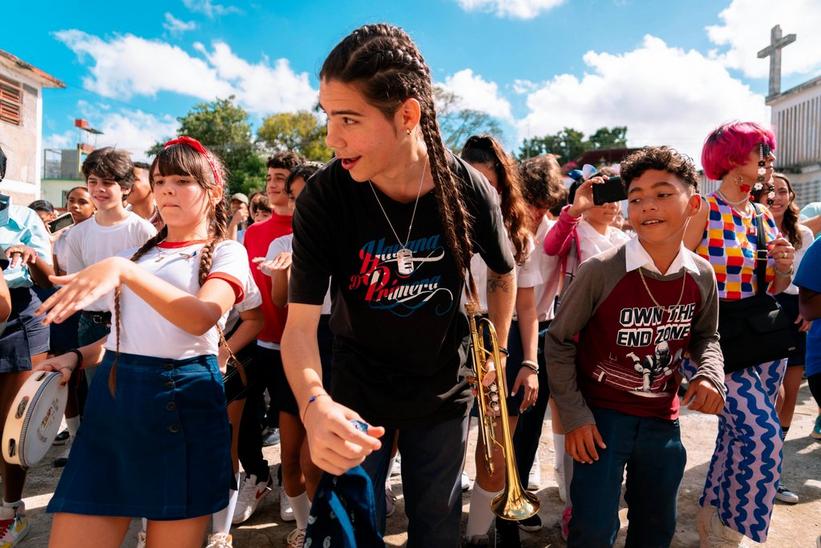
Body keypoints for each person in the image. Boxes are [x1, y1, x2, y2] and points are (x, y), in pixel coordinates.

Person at [282, 23, 516, 547]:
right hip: (354, 399)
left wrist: (495, 353)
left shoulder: (469, 189)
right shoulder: (324, 197)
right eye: (328, 117)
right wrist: (315, 405)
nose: (330, 138)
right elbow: (299, 328)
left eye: (348, 119)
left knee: (436, 530)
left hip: (443, 396)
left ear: (407, 115)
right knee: (348, 534)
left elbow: (503, 272)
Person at [35, 136, 248, 547]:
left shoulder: (225, 253)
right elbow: (123, 335)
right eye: (161, 179)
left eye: (183, 180)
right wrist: (76, 357)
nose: (168, 188)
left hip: (182, 404)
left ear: (214, 192)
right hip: (113, 402)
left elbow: (200, 318)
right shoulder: (136, 254)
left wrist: (124, 272)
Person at [548, 146, 726, 547]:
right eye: (636, 197)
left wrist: (711, 373)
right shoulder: (601, 271)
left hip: (663, 421)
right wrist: (575, 416)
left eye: (663, 193)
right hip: (600, 423)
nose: (648, 205)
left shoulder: (701, 275)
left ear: (693, 203)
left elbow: (706, 336)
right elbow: (558, 342)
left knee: (655, 526)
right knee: (592, 529)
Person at [683, 121, 795, 546]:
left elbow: (772, 288)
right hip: (715, 341)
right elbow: (677, 273)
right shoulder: (704, 210)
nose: (766, 160)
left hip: (761, 341)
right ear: (730, 161)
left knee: (736, 435)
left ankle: (713, 517)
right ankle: (732, 533)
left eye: (766, 151)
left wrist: (783, 267)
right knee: (763, 438)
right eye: (757, 152)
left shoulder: (763, 215)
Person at [56, 147, 157, 467]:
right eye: (93, 181)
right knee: (100, 400)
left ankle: (136, 463)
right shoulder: (77, 234)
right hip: (92, 324)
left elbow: (152, 284)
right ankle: (107, 465)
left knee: (134, 399)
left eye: (108, 182)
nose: (99, 189)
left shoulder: (142, 229)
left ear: (126, 187)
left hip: (135, 323)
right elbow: (77, 285)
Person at [459, 135, 535, 548]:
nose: (481, 193)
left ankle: (477, 536)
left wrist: (529, 363)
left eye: (490, 185)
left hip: (499, 342)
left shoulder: (517, 232)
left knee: (495, 450)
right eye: (472, 183)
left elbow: (528, 306)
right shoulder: (443, 222)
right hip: (450, 336)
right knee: (444, 446)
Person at [257, 161, 325, 547]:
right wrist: (282, 271)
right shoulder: (282, 245)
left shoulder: (348, 239)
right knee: (292, 454)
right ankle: (306, 526)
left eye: (309, 197)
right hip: (297, 345)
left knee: (318, 457)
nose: (301, 206)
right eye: (296, 197)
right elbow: (281, 301)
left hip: (340, 350)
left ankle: (326, 527)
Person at [235, 150, 303, 525]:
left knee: (292, 420)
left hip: (296, 343)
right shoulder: (252, 234)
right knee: (242, 409)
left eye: (281, 177)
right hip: (256, 338)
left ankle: (292, 480)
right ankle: (257, 474)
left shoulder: (313, 229)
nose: (273, 184)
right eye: (270, 176)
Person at [0, 146, 54, 548]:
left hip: (18, 319)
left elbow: (48, 274)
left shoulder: (23, 217)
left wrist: (29, 256)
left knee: (12, 425)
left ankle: (11, 511)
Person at [752, 172, 813, 504]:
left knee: (789, 394)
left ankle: (772, 475)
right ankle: (752, 470)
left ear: (790, 197)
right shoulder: (747, 227)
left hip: (794, 312)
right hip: (757, 312)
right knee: (765, 396)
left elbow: (806, 279)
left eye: (781, 190)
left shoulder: (801, 233)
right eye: (769, 189)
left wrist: (807, 308)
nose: (774, 195)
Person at [127, 161, 164, 231]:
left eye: (134, 179)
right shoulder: (116, 222)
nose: (128, 184)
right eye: (126, 180)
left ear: (152, 184)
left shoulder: (168, 220)